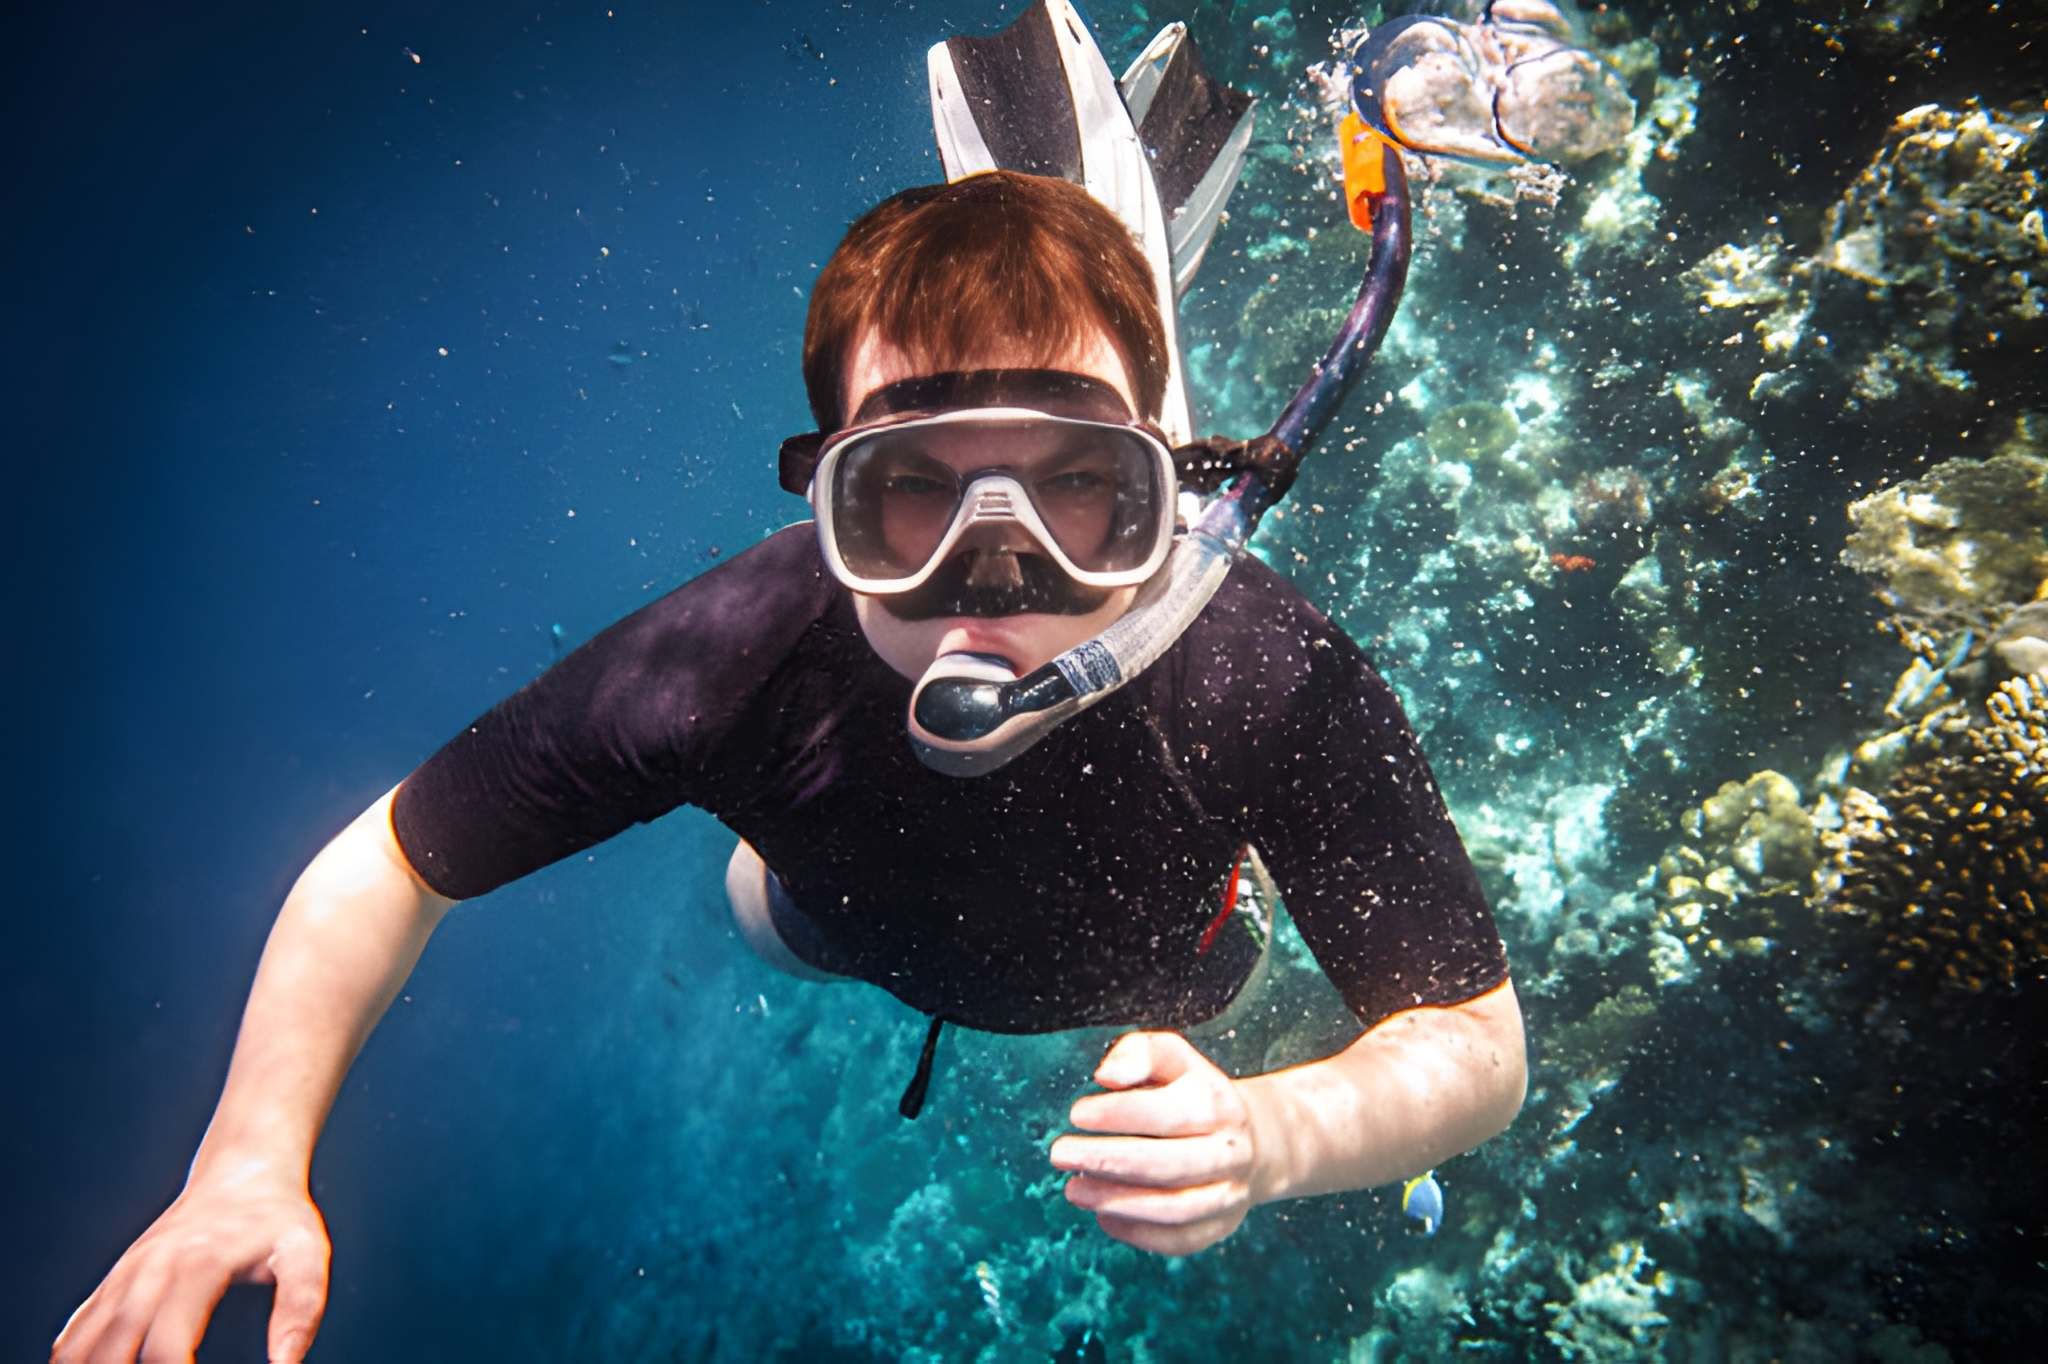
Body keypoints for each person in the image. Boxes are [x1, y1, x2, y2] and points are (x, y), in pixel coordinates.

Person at [54, 16, 1527, 1364]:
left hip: (1182, 955)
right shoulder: (733, 662)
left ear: (1167, 489)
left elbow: (1475, 1047)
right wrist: (246, 1151)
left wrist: (1267, 1134)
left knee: (1219, 978)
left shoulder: (1261, 673)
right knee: (762, 912)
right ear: (826, 501)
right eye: (908, 499)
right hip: (834, 920)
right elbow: (388, 858)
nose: (989, 581)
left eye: (1084, 493)